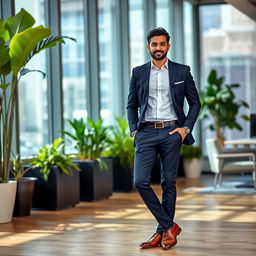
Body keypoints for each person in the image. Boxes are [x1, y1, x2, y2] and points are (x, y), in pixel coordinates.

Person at [126, 27, 201, 250]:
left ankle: (162, 234)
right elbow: (131, 105)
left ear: (168, 45)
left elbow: (195, 103)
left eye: (162, 44)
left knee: (169, 183)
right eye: (154, 44)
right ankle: (169, 227)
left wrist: (185, 129)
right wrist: (134, 131)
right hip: (146, 132)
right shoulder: (138, 72)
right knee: (140, 181)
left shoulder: (182, 71)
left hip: (172, 133)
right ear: (148, 47)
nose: (158, 48)